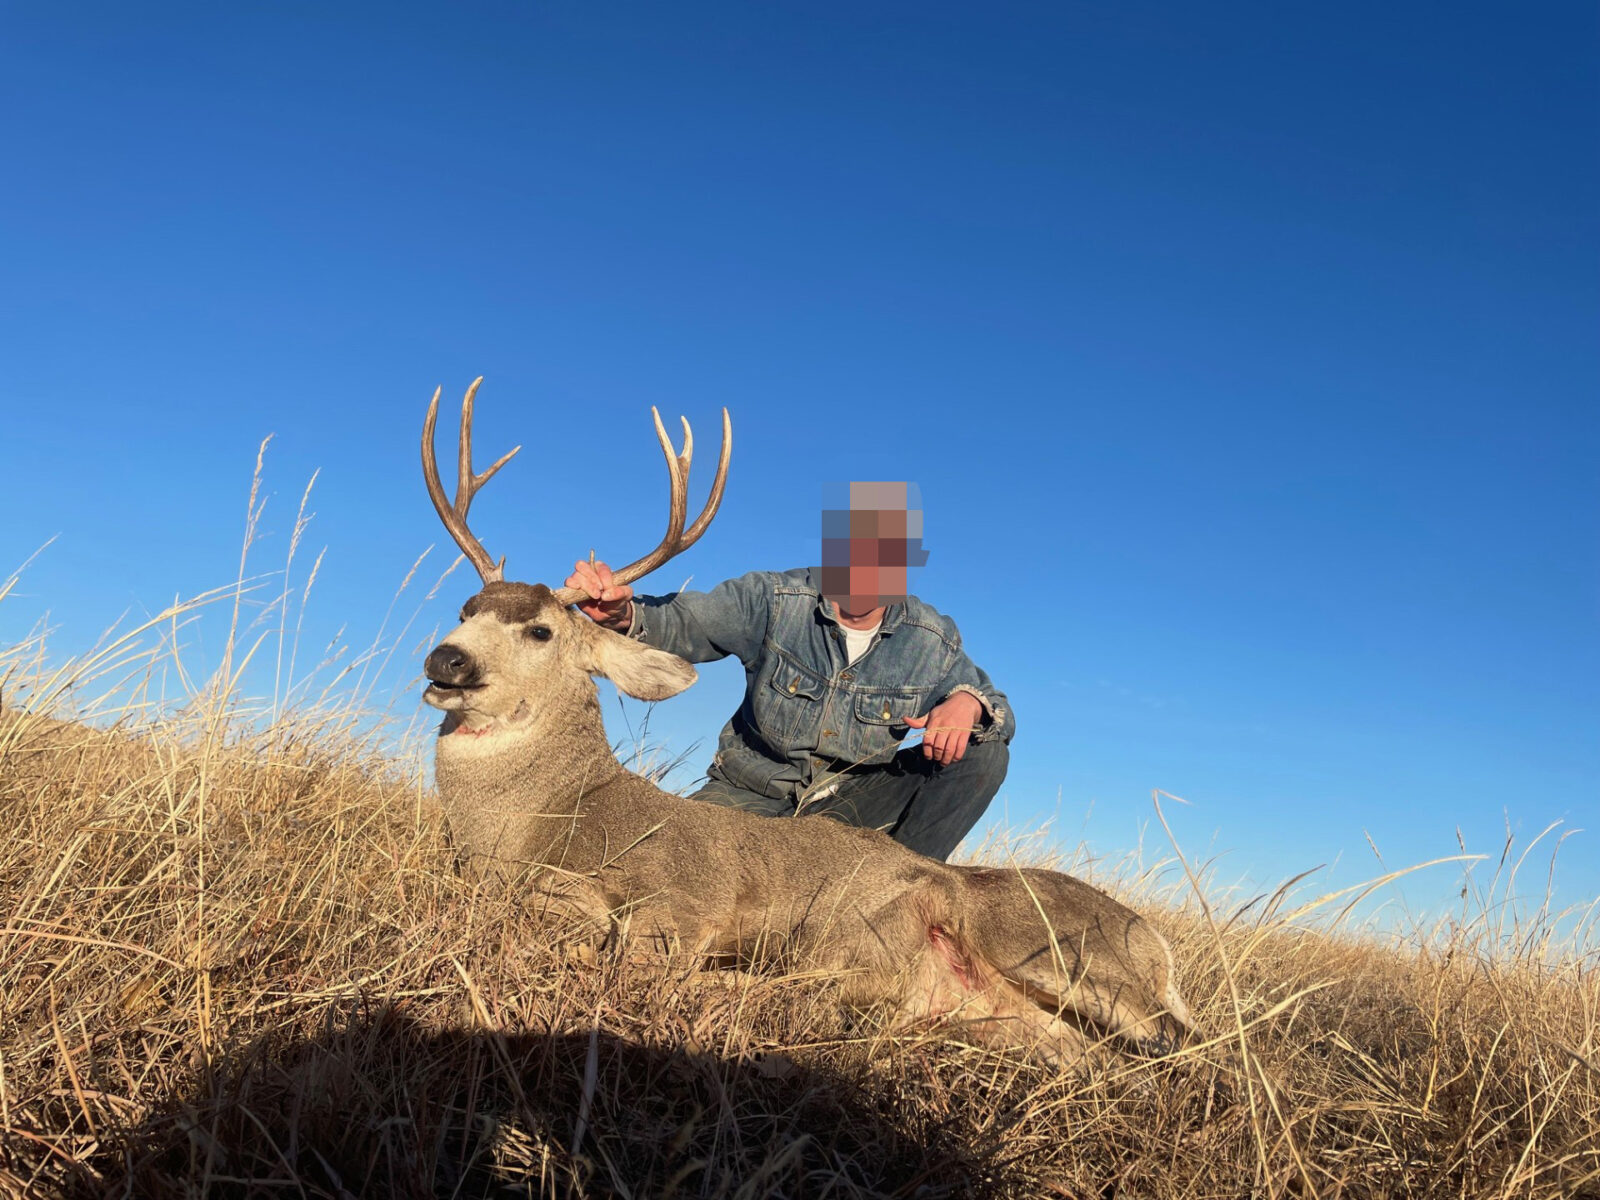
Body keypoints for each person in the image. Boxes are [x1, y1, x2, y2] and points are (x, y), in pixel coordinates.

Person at [565, 482, 1012, 862]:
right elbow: (686, 622)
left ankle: (904, 895)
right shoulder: (773, 598)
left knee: (984, 755)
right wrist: (622, 615)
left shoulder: (932, 639)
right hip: (746, 798)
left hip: (848, 807)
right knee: (666, 864)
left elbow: (1000, 714)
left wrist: (968, 703)